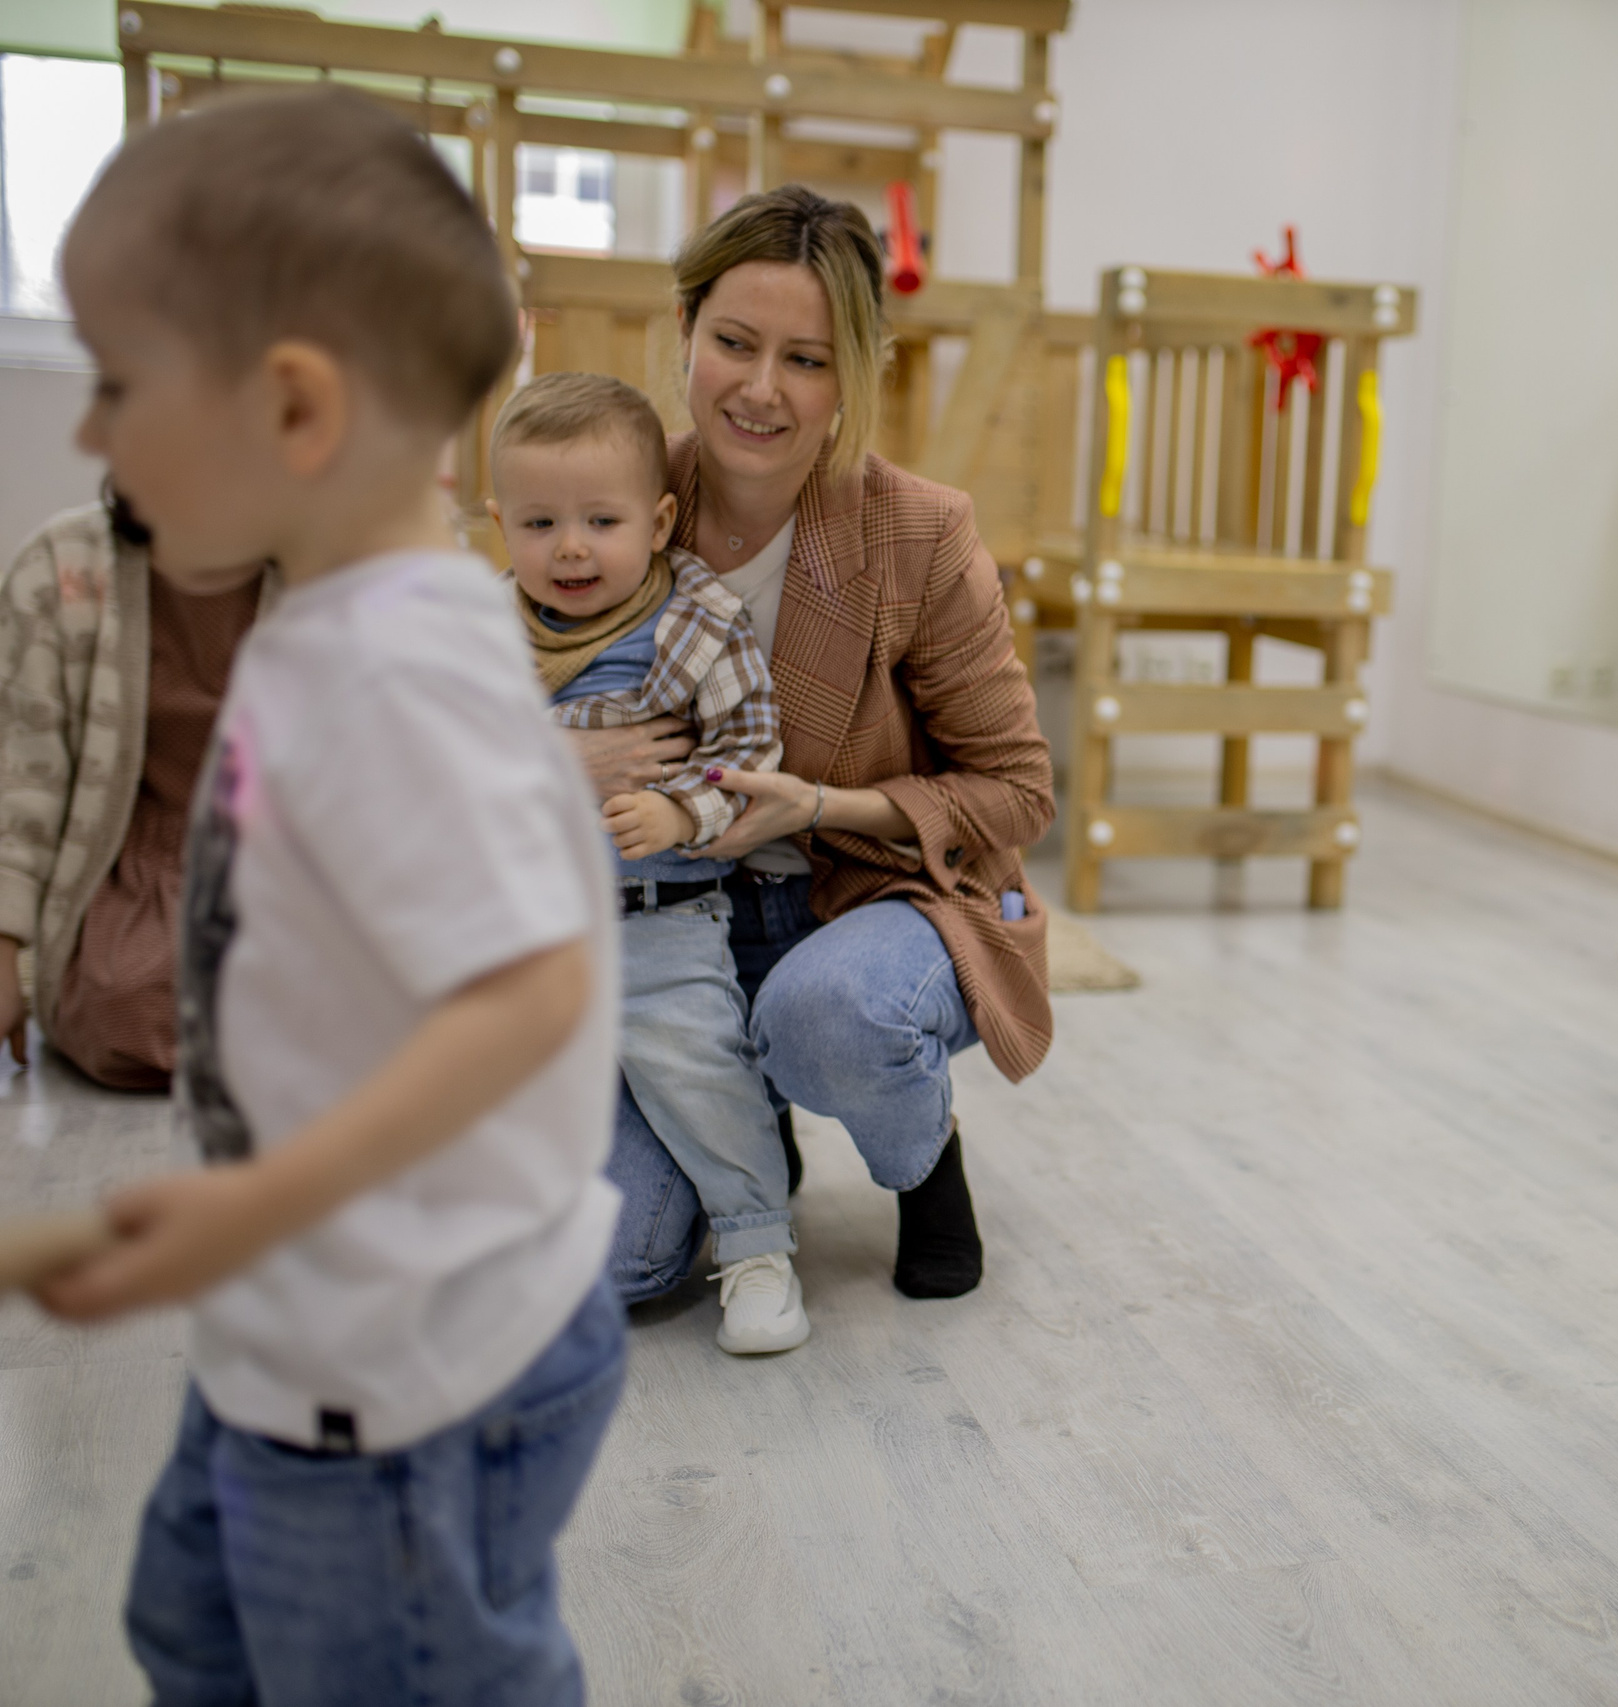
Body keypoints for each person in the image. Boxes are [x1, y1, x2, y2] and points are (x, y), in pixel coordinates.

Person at [34, 89, 624, 1704]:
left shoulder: (397, 677)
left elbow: (533, 989)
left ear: (294, 408)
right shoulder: (332, 626)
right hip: (304, 1316)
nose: (92, 436)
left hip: (404, 1374)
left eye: (116, 383)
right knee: (194, 1633)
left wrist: (256, 1204)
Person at [574, 186, 1053, 1305]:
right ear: (683, 331)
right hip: (668, 924)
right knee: (622, 1266)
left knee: (825, 1013)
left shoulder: (918, 531)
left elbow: (1018, 788)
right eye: (734, 343)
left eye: (807, 359)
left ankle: (924, 1161)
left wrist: (824, 808)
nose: (760, 389)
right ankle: (754, 1125)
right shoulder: (615, 500)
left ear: (854, 375)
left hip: (862, 899)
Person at [490, 371, 807, 1356]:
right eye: (539, 523)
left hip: (657, 923)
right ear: (501, 526)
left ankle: (758, 1251)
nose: (570, 547)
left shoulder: (691, 618)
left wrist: (680, 811)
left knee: (698, 1074)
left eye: (600, 520)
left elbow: (754, 750)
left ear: (660, 519)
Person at [0, 490, 268, 1089]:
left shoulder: (330, 570)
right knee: (129, 1006)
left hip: (283, 869)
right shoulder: (60, 565)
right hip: (129, 870)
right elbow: (21, 776)